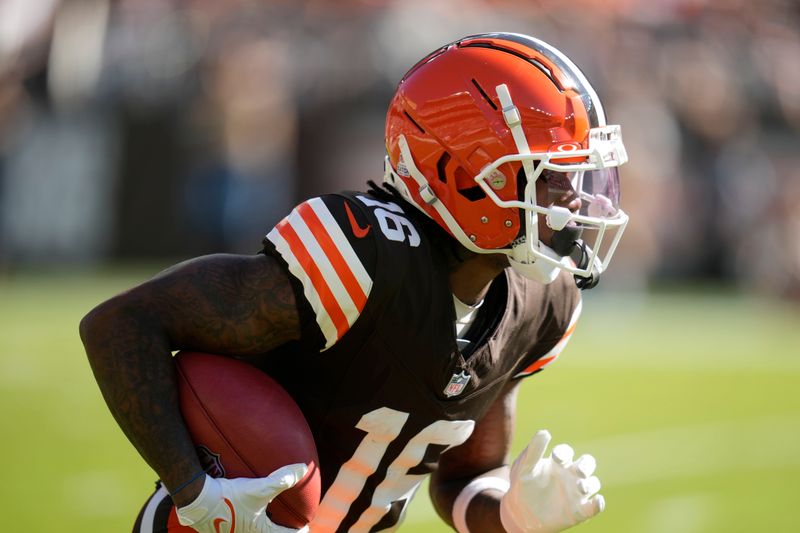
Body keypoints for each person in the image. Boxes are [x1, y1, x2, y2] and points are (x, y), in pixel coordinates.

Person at [80, 32, 629, 533]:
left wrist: (513, 516)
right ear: (462, 176)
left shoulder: (539, 303)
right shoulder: (361, 259)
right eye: (550, 175)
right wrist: (197, 492)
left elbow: (465, 478)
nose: (575, 199)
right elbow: (121, 324)